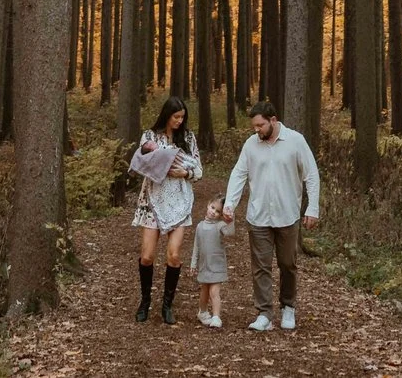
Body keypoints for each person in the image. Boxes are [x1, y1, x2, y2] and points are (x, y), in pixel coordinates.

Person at [222, 97, 320, 333]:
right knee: (261, 266)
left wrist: (313, 208)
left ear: (273, 120)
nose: (257, 130)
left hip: (288, 215)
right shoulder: (251, 145)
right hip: (259, 216)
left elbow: (312, 175)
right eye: (254, 127)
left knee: (288, 264)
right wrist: (230, 204)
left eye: (260, 126)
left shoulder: (295, 141)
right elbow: (239, 174)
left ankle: (288, 307)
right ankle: (264, 312)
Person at [127, 96, 202, 324]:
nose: (179, 121)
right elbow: (143, 163)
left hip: (179, 199)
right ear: (166, 115)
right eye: (176, 117)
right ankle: (145, 300)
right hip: (152, 200)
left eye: (182, 117)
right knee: (148, 256)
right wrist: (161, 162)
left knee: (174, 255)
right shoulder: (150, 136)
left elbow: (198, 169)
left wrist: (185, 173)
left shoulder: (188, 138)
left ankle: (167, 304)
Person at [189, 197, 236, 328]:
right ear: (208, 205)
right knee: (204, 290)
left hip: (217, 264)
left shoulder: (219, 225)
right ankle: (202, 312)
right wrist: (193, 263)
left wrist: (231, 220)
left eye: (217, 211)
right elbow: (196, 246)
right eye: (212, 208)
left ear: (221, 214)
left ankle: (216, 317)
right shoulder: (200, 226)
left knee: (214, 292)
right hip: (204, 265)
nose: (213, 212)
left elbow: (230, 233)